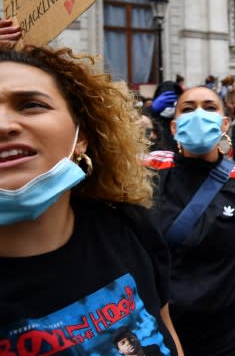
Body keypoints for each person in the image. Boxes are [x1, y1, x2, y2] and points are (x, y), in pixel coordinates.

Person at [0, 45, 182, 355]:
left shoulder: (129, 224)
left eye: (30, 104)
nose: (4, 125)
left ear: (81, 135)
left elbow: (165, 326)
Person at [143, 86, 235, 356]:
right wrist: (150, 113)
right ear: (173, 127)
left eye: (209, 108)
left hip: (230, 338)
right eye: (187, 109)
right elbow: (109, 152)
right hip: (161, 337)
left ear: (225, 123)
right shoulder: (150, 170)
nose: (198, 115)